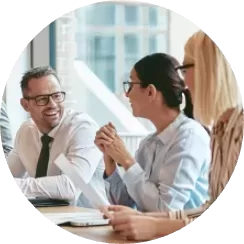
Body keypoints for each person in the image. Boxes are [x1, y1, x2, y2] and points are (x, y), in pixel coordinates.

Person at [100, 30, 243, 241]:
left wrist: (127, 160)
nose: (183, 83)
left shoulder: (193, 135)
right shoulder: (219, 133)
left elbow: (165, 206)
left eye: (185, 70)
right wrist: (111, 163)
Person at [95, 52, 211, 212]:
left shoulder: (189, 137)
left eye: (130, 84)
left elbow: (166, 210)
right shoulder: (148, 144)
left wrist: (127, 160)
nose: (126, 93)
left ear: (150, 91)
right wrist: (110, 160)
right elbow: (126, 206)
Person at [7, 66, 107, 208]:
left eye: (57, 96)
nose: (52, 104)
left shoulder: (82, 128)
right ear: (25, 105)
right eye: (42, 99)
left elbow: (72, 186)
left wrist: (22, 185)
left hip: (91, 221)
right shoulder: (26, 132)